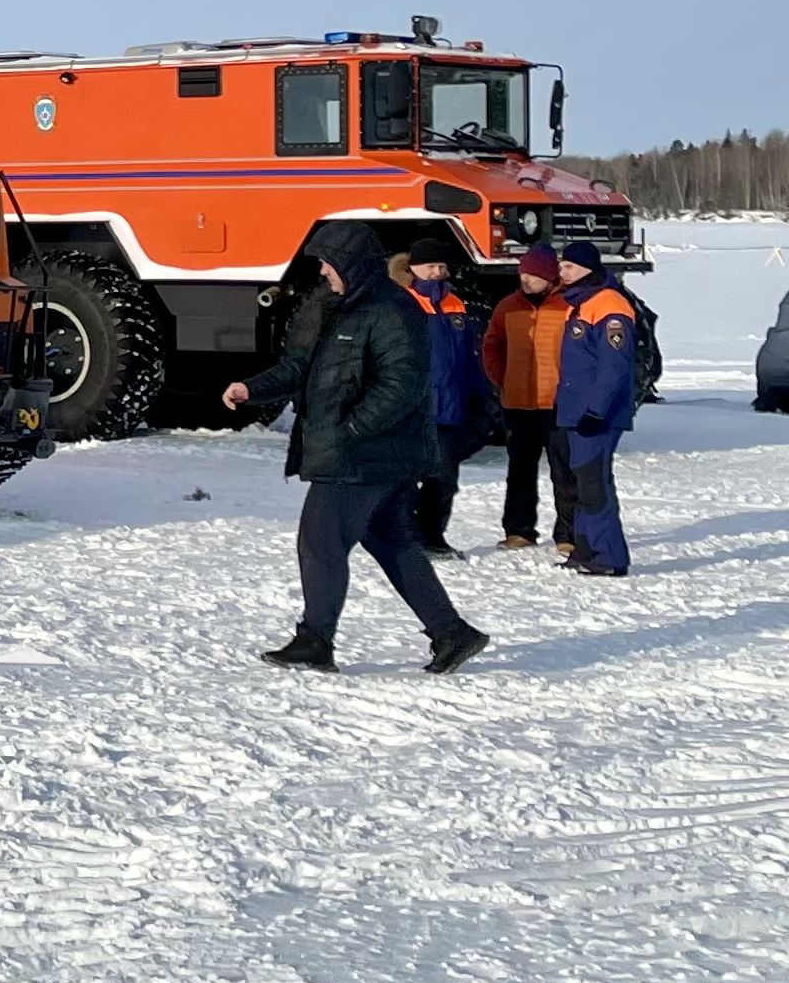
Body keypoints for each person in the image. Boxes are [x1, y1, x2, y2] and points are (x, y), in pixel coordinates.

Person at [226, 228, 490, 674]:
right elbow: (300, 366)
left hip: (364, 456)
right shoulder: (337, 308)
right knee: (391, 541)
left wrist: (351, 430)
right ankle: (452, 632)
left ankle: (315, 641)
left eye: (330, 263)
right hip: (361, 453)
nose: (324, 272)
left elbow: (401, 385)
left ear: (352, 265)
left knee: (320, 541)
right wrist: (251, 389)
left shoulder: (393, 310)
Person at [551, 240, 643, 577]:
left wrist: (597, 410)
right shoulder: (577, 303)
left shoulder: (609, 306)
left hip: (597, 416)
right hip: (576, 411)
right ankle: (586, 547)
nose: (563, 272)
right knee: (581, 482)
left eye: (569, 267)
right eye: (562, 266)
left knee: (594, 483)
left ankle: (609, 555)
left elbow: (613, 366)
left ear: (587, 270)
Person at [480, 246, 577, 551]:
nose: (526, 280)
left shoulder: (568, 306)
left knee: (564, 472)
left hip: (557, 403)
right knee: (520, 470)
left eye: (533, 276)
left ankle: (568, 535)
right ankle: (519, 531)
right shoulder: (507, 306)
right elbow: (492, 345)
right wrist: (501, 378)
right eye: (523, 274)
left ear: (549, 277)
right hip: (518, 403)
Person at [395, 245, 489, 556]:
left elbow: (467, 358)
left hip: (449, 408)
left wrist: (478, 395)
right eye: (429, 266)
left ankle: (433, 535)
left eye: (440, 265)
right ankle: (405, 537)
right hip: (413, 409)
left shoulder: (455, 304)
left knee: (445, 480)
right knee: (407, 480)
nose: (436, 272)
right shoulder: (401, 303)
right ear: (414, 269)